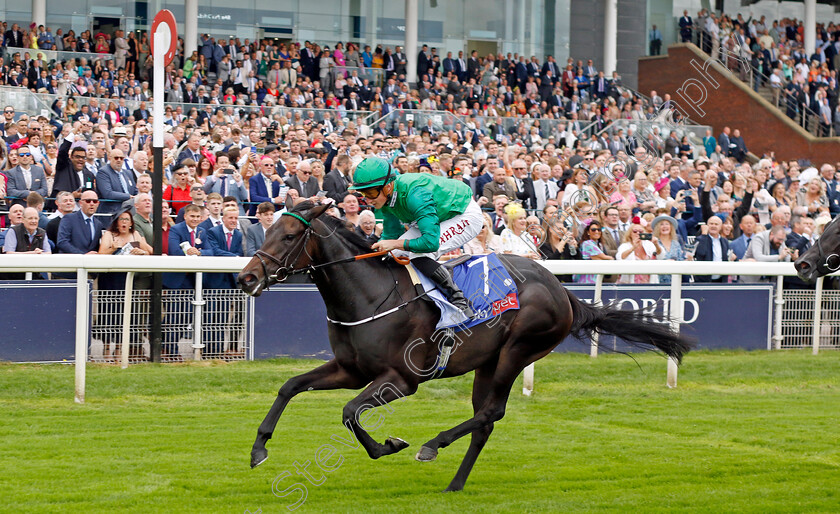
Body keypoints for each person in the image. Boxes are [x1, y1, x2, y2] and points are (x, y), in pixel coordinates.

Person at [348, 156, 483, 318]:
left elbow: (430, 243)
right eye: (363, 193)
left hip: (463, 214)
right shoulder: (385, 200)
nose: (367, 199)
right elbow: (390, 236)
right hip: (435, 217)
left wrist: (396, 244)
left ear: (388, 186)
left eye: (370, 192)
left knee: (420, 254)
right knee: (392, 255)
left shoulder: (416, 194)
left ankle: (459, 301)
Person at [97, 209, 153, 360]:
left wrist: (142, 253)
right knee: (109, 313)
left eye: (127, 220)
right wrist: (113, 247)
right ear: (116, 222)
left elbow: (150, 251)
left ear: (131, 223)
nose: (124, 222)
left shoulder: (135, 235)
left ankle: (120, 350)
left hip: (128, 279)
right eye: (121, 219)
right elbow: (101, 253)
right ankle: (107, 349)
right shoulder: (109, 235)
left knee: (125, 314)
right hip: (110, 279)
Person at [203, 206, 245, 357]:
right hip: (214, 282)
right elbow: (214, 251)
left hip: (229, 282)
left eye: (236, 218)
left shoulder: (238, 235)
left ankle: (219, 350)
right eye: (231, 218)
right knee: (211, 318)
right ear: (223, 219)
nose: (233, 221)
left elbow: (240, 252)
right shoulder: (213, 232)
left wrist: (234, 257)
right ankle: (208, 351)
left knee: (222, 319)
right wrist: (233, 257)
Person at [57, 189, 105, 254]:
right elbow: (62, 242)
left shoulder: (98, 224)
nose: (92, 204)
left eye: (95, 201)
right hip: (72, 261)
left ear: (98, 204)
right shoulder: (69, 219)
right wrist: (83, 255)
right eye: (88, 201)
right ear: (80, 203)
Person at [693, 215, 734, 282]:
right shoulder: (700, 239)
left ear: (721, 227)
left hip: (721, 280)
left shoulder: (724, 241)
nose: (713, 226)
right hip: (704, 280)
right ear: (707, 225)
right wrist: (704, 235)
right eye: (711, 224)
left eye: (716, 224)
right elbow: (701, 253)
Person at [652, 215, 685, 284]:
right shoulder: (653, 242)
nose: (664, 226)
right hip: (657, 280)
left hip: (674, 281)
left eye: (667, 224)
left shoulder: (676, 243)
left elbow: (680, 260)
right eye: (661, 224)